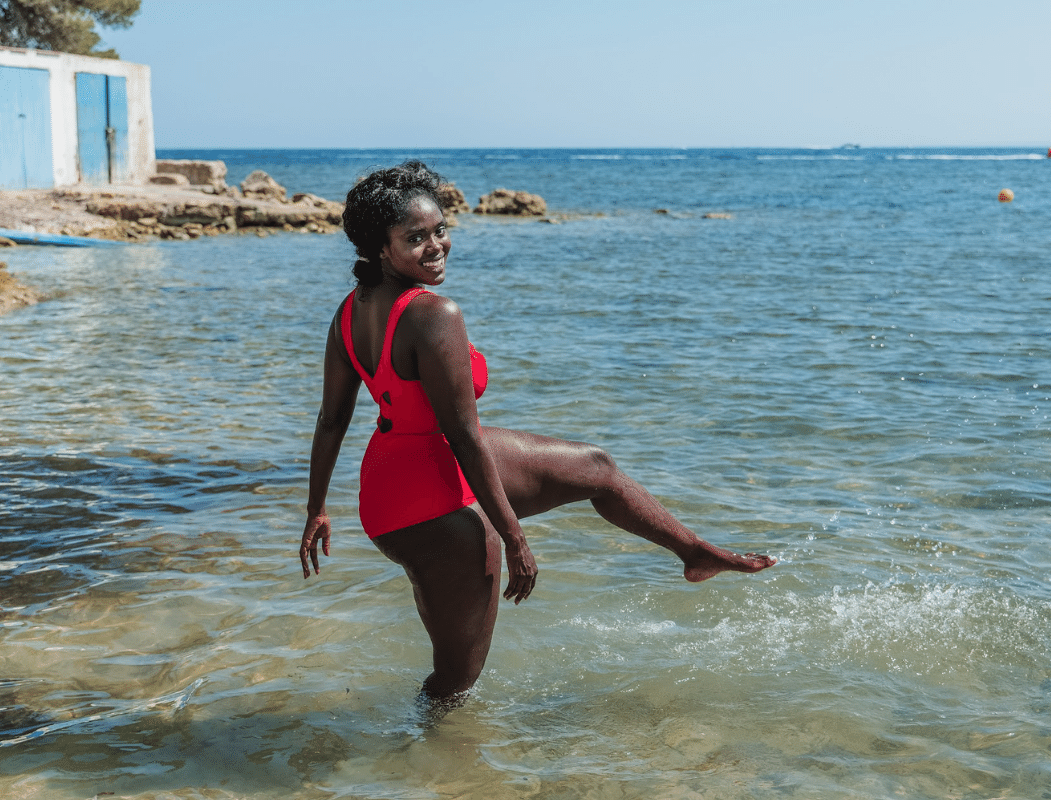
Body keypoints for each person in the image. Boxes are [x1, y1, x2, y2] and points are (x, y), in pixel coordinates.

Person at [301, 161, 775, 706]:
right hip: (430, 506)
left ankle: (695, 553)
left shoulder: (348, 311)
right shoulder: (434, 314)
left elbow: (332, 420)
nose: (436, 247)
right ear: (380, 249)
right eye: (415, 238)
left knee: (596, 468)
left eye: (440, 230)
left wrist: (317, 509)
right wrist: (514, 539)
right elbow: (464, 436)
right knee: (454, 682)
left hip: (392, 480)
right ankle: (422, 751)